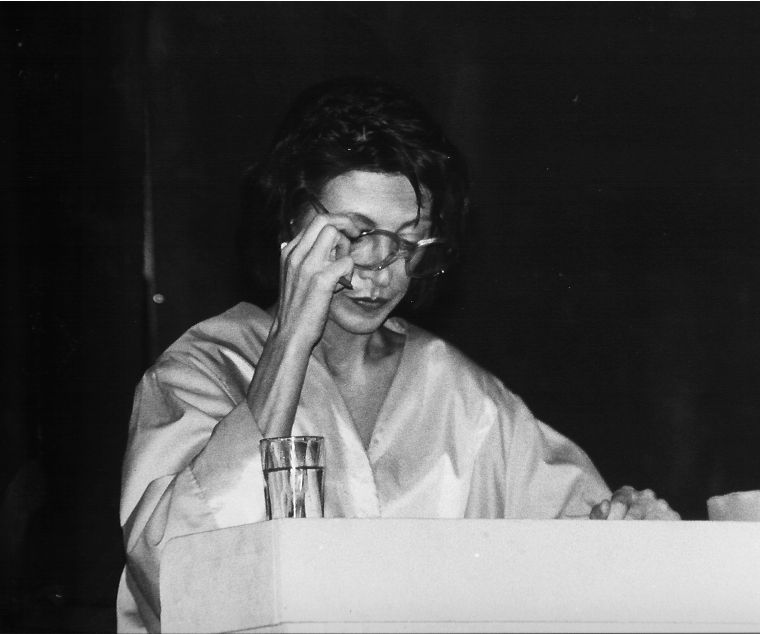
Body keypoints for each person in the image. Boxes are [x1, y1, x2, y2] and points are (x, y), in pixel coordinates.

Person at [117, 77, 680, 633]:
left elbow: (579, 546)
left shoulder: (465, 398)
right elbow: (172, 582)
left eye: (407, 241)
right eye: (352, 234)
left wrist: (623, 530)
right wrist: (289, 342)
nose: (379, 270)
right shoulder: (203, 372)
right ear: (289, 221)